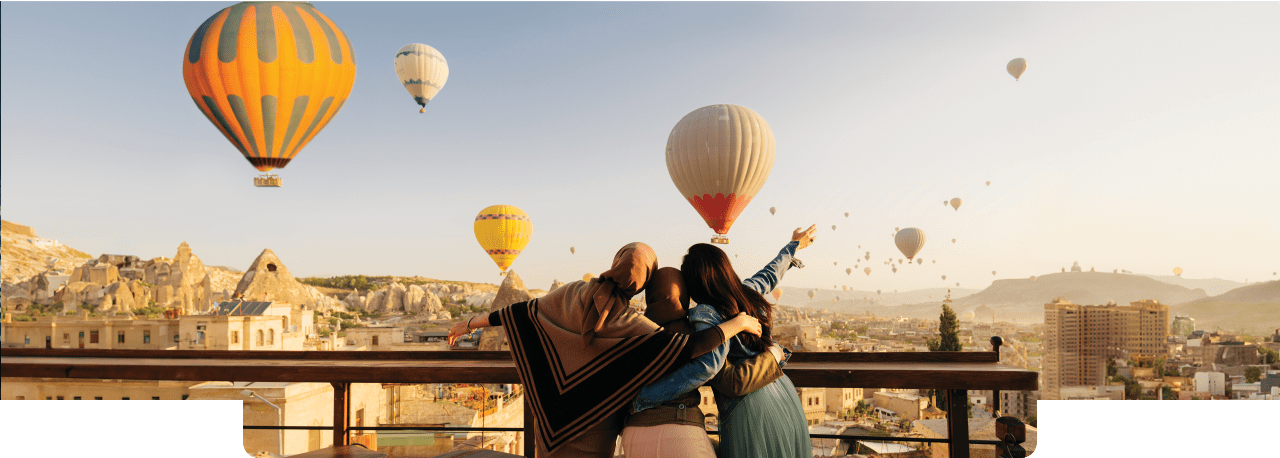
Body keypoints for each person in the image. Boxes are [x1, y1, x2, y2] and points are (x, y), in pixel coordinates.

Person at [447, 242, 763, 458]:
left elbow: (520, 313)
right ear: (644, 282)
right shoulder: (631, 324)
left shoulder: (572, 291)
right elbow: (692, 348)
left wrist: (471, 323)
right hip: (596, 430)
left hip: (548, 423)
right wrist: (738, 324)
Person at [631, 225, 818, 458]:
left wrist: (645, 397)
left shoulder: (706, 313)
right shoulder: (745, 292)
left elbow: (708, 366)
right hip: (782, 394)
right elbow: (770, 274)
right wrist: (794, 246)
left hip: (750, 408)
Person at [621, 267, 788, 458]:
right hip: (679, 425)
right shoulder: (693, 331)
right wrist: (738, 326)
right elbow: (708, 367)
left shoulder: (631, 330)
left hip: (632, 431)